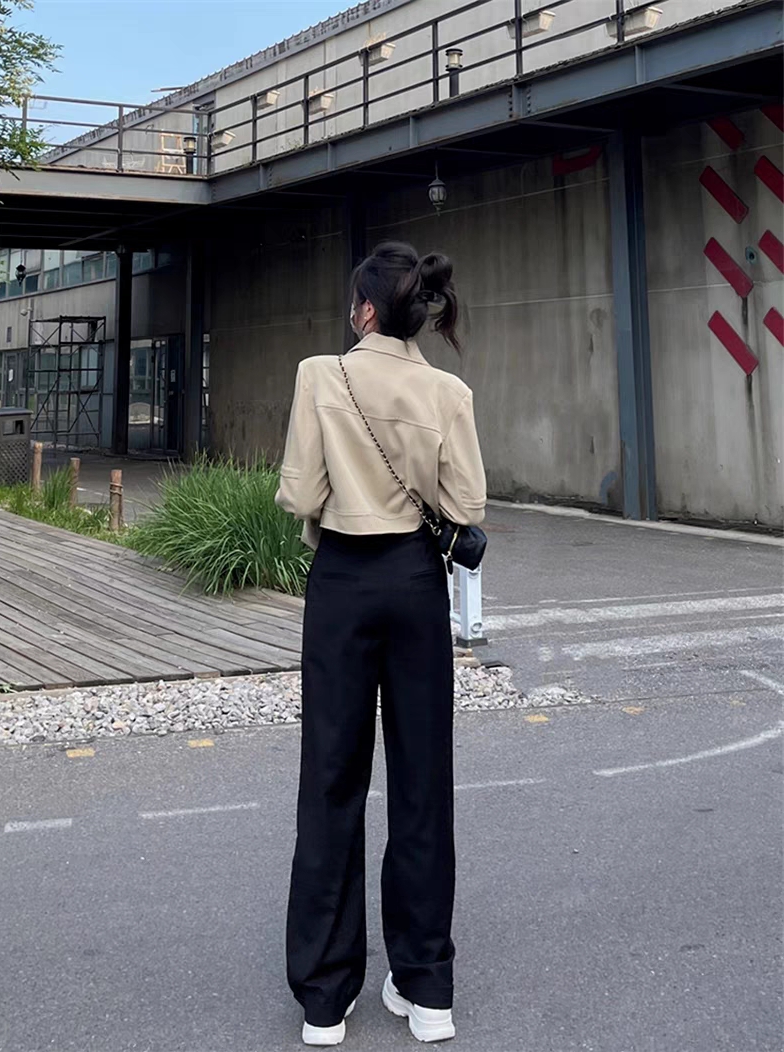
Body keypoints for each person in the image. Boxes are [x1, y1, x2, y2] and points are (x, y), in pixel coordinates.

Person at [276, 241, 487, 1046]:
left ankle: (325, 1001)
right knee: (423, 780)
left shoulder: (319, 375)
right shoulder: (449, 391)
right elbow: (466, 506)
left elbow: (300, 491)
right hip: (413, 581)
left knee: (331, 779)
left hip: (341, 580)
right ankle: (427, 988)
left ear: (364, 309)